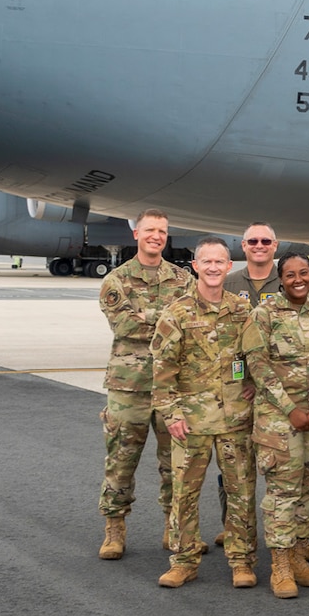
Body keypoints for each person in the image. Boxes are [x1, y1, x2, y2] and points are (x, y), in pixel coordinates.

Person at [153, 237, 257, 589]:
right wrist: (171, 414)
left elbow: (255, 357)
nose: (213, 267)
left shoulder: (242, 311)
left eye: (220, 262)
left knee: (241, 490)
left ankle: (241, 560)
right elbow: (162, 370)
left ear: (230, 267)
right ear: (195, 266)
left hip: (235, 419)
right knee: (184, 493)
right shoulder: (177, 312)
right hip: (191, 421)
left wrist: (253, 384)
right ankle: (184, 561)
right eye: (206, 261)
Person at [95, 209, 191, 561]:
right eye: (150, 229)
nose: (156, 236)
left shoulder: (183, 280)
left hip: (172, 390)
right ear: (136, 233)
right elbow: (124, 327)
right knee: (121, 462)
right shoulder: (116, 280)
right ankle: (115, 528)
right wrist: (167, 320)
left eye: (162, 231)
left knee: (175, 464)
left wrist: (147, 317)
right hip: (128, 388)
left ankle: (173, 526)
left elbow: (190, 327)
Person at [240, 251, 309, 596]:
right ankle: (279, 564)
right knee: (283, 491)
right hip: (278, 419)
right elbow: (258, 366)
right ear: (280, 279)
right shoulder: (263, 314)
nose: (299, 279)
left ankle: (298, 554)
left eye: (305, 272)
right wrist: (290, 408)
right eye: (291, 274)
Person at [225, 223, 284, 307]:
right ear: (244, 245)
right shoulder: (227, 284)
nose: (259, 246)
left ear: (275, 245)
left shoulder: (288, 283)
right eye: (252, 241)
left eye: (266, 241)